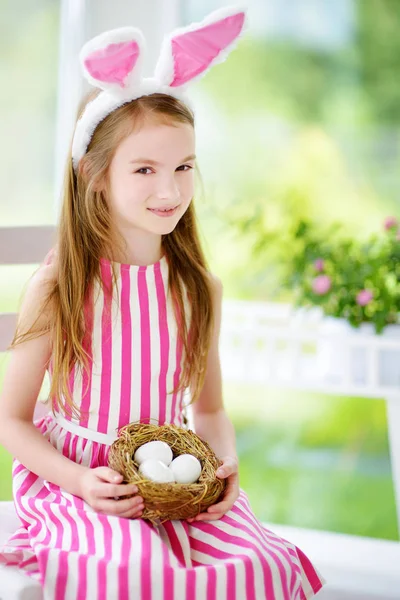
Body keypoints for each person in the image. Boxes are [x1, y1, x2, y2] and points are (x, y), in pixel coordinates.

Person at [0, 6, 327, 599]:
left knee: (259, 565)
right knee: (134, 571)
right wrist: (81, 481)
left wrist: (223, 468)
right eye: (145, 168)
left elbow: (209, 413)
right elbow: (12, 420)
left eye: (183, 167)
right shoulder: (60, 287)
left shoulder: (198, 288)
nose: (170, 189)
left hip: (178, 478)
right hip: (85, 481)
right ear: (96, 174)